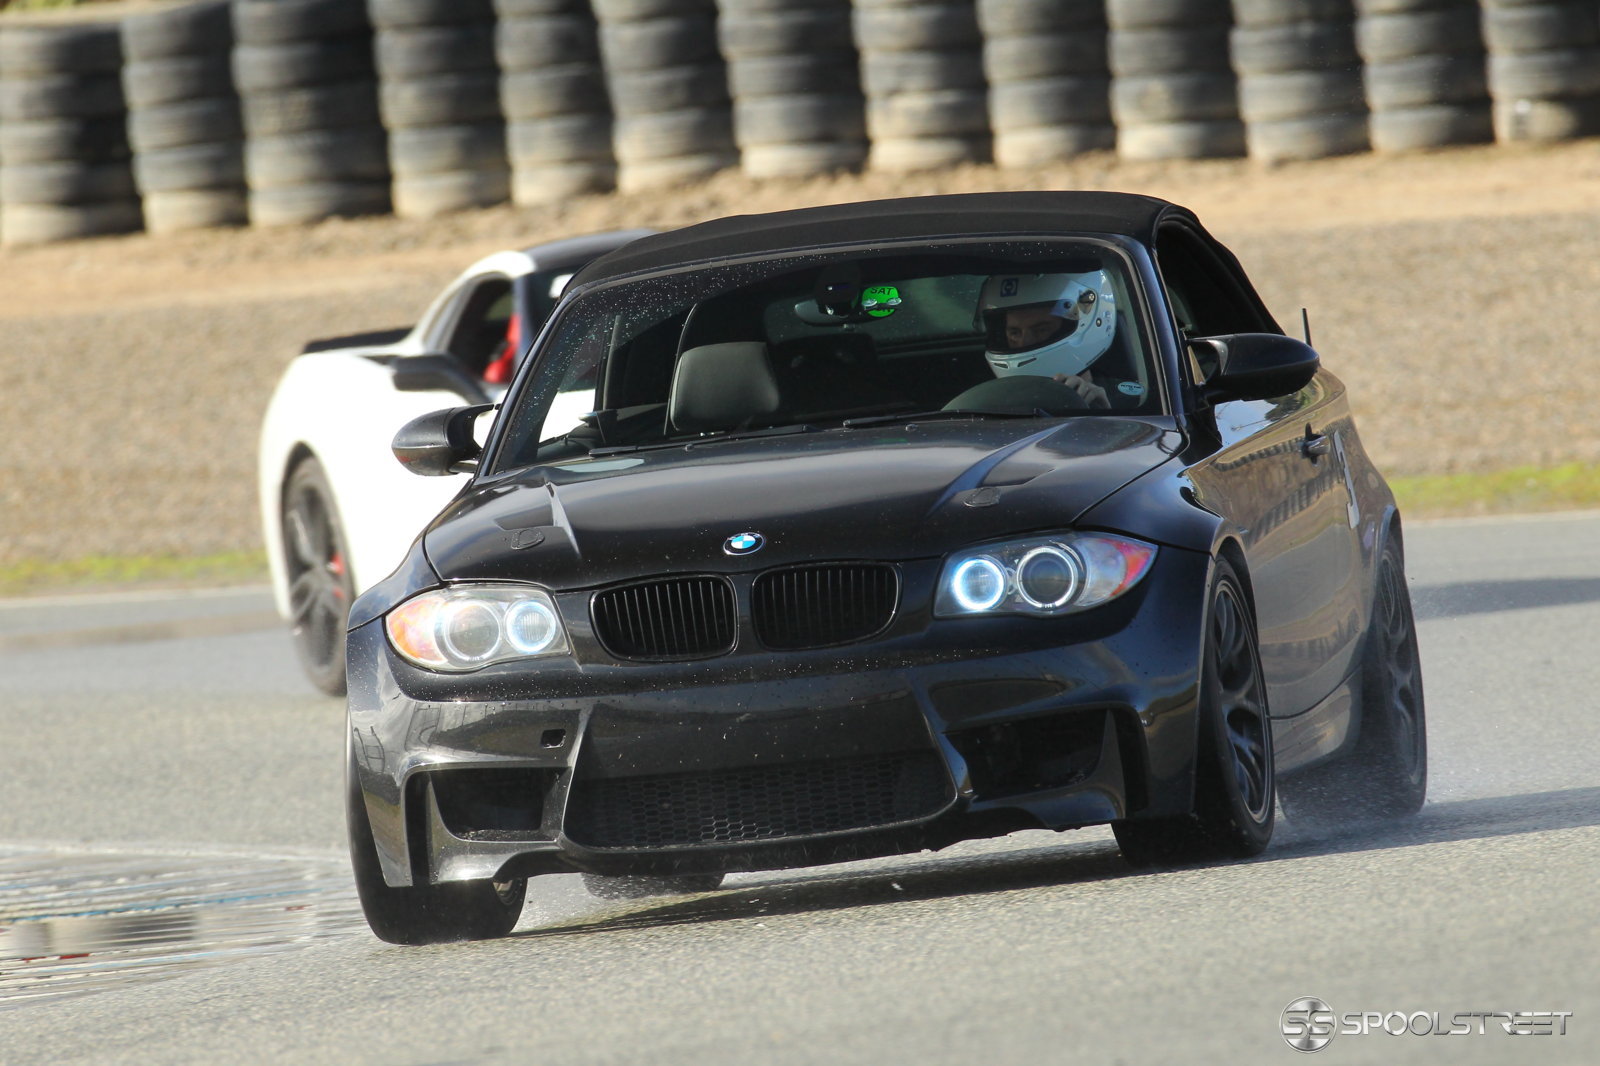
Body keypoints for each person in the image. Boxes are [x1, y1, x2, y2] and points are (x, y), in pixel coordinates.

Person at [977, 271, 1119, 408]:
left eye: (1040, 330)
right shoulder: (988, 402)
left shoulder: (1130, 404)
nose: (1024, 342)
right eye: (1014, 332)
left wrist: (1101, 413)